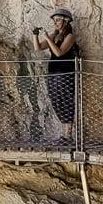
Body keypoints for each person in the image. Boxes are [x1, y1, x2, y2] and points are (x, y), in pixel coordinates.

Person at [34, 9, 79, 142]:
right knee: (56, 100)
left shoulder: (70, 36)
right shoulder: (54, 36)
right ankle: (64, 134)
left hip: (65, 73)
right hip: (53, 72)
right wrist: (35, 35)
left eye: (58, 20)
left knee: (66, 100)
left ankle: (68, 134)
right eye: (55, 20)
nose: (55, 23)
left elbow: (59, 52)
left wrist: (48, 38)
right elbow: (38, 48)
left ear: (66, 21)